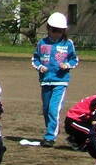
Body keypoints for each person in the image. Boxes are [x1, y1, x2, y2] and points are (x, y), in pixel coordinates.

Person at [31, 11, 79, 147]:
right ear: (48, 29)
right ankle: (49, 130)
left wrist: (67, 65)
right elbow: (35, 59)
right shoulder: (42, 43)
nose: (56, 33)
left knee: (53, 108)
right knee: (46, 109)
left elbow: (74, 59)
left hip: (60, 81)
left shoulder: (68, 44)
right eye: (54, 30)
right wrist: (39, 67)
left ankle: (50, 136)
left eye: (59, 31)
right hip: (45, 80)